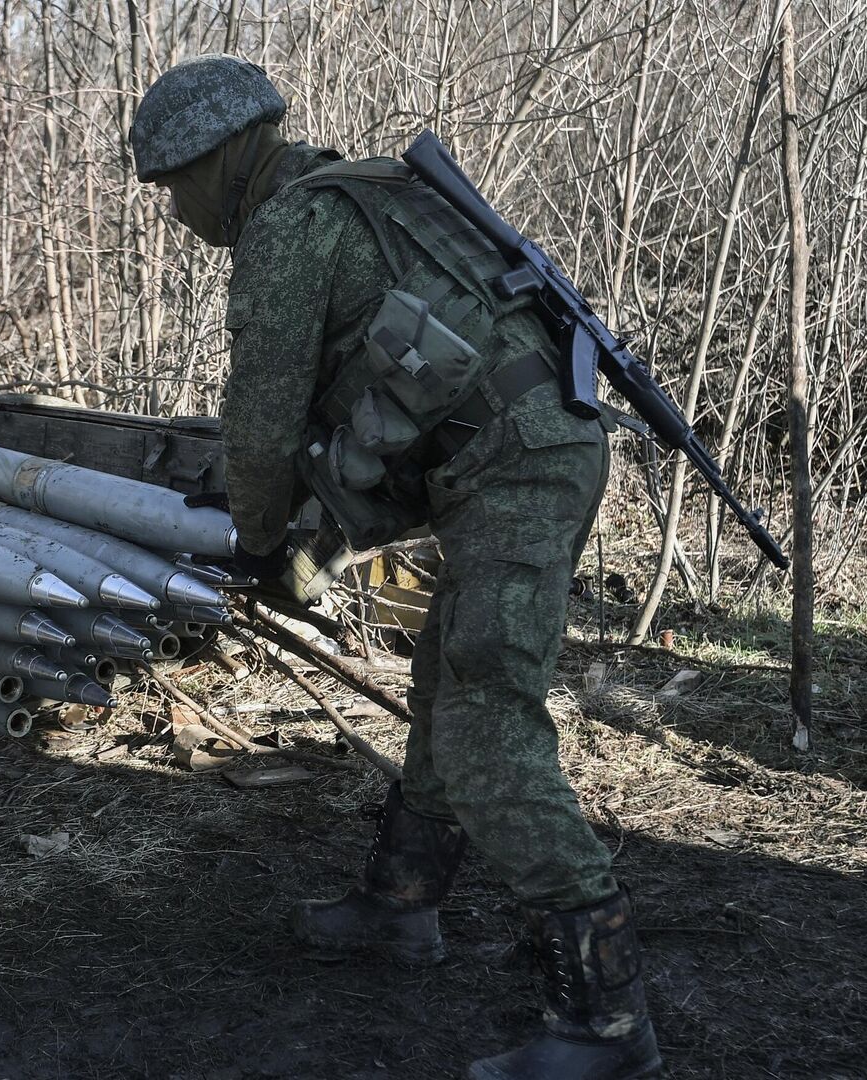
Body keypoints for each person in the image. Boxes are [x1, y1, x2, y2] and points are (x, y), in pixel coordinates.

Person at [128, 55, 661, 1080]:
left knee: (486, 721)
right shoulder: (362, 197)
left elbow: (263, 425)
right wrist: (308, 541)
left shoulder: (291, 228)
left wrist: (254, 543)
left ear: (223, 159)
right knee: (443, 686)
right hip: (506, 459)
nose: (178, 213)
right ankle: (401, 907)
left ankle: (605, 1023)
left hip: (518, 468)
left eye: (175, 188)